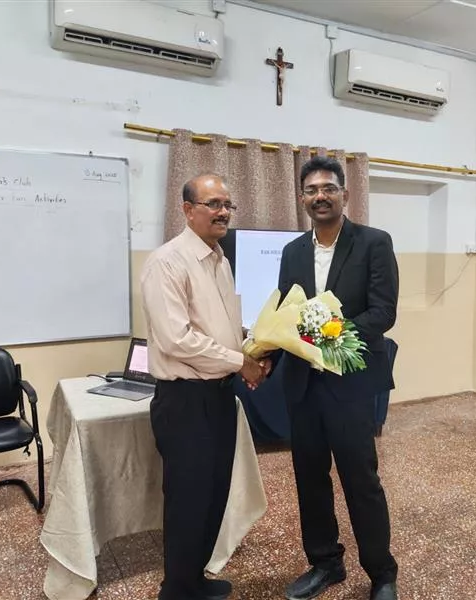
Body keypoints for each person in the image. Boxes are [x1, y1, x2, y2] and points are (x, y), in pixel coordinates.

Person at [277, 157, 400, 600]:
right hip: (304, 385)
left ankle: (382, 573)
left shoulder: (373, 243)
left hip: (349, 384)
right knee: (310, 479)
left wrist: (326, 332)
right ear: (302, 199)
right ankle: (326, 563)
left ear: (345, 195)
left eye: (328, 188)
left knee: (360, 481)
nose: (320, 196)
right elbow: (286, 312)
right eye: (311, 190)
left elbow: (383, 313)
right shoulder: (292, 251)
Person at [140, 174, 268, 600]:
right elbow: (177, 339)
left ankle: (193, 580)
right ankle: (176, 590)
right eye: (213, 203)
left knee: (213, 494)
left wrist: (252, 348)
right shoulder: (167, 262)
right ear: (187, 209)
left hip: (220, 395)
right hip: (185, 401)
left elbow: (222, 328)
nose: (223, 212)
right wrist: (240, 362)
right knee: (188, 499)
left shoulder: (220, 260)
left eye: (228, 204)